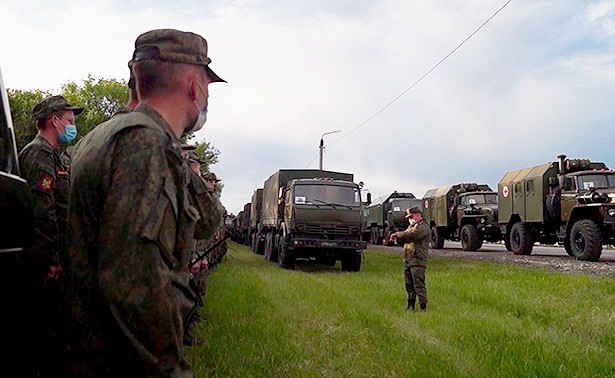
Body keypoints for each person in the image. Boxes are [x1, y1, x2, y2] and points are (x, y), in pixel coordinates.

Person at [64, 28, 225, 376]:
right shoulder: (146, 145)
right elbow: (138, 289)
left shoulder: (105, 135)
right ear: (193, 86)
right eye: (208, 87)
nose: (207, 98)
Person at [18, 95, 84, 375]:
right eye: (69, 121)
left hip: (53, 257)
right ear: (54, 120)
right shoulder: (39, 154)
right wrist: (51, 260)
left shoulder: (53, 155)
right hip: (44, 262)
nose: (72, 126)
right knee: (46, 331)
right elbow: (42, 212)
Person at [389, 207, 430, 312]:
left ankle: (423, 307)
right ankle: (410, 305)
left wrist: (398, 235)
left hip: (418, 260)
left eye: (411, 217)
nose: (410, 219)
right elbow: (404, 238)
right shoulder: (411, 227)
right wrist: (397, 237)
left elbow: (412, 235)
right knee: (409, 285)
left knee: (419, 285)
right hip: (409, 260)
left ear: (417, 214)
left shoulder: (423, 227)